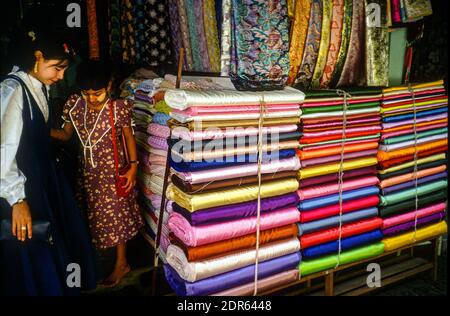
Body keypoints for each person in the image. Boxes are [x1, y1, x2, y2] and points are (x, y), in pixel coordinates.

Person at [0, 30, 96, 295]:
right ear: (37, 57)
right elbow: (3, 150)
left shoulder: (38, 86)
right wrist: (17, 200)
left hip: (44, 179)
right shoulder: (12, 90)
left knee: (53, 241)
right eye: (57, 68)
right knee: (31, 248)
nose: (61, 76)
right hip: (24, 188)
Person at [51, 60, 144, 287]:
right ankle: (98, 259)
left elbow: (129, 137)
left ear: (109, 86)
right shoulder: (75, 105)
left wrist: (133, 167)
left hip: (114, 173)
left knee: (117, 217)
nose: (92, 99)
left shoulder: (117, 107)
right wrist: (41, 130)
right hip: (89, 173)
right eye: (87, 93)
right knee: (92, 215)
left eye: (98, 93)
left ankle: (121, 263)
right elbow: (65, 134)